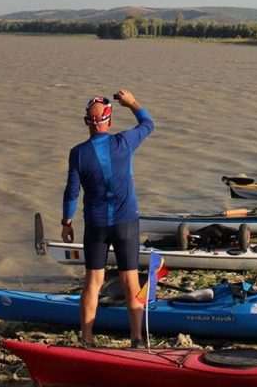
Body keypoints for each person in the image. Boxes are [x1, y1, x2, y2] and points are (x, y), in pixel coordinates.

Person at [62, 90, 155, 347]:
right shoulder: (124, 142)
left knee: (93, 282)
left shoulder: (78, 154)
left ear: (85, 122)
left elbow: (71, 192)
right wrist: (132, 103)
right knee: (130, 280)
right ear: (110, 121)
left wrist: (66, 222)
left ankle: (87, 338)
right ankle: (136, 339)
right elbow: (149, 124)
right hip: (126, 223)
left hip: (96, 225)